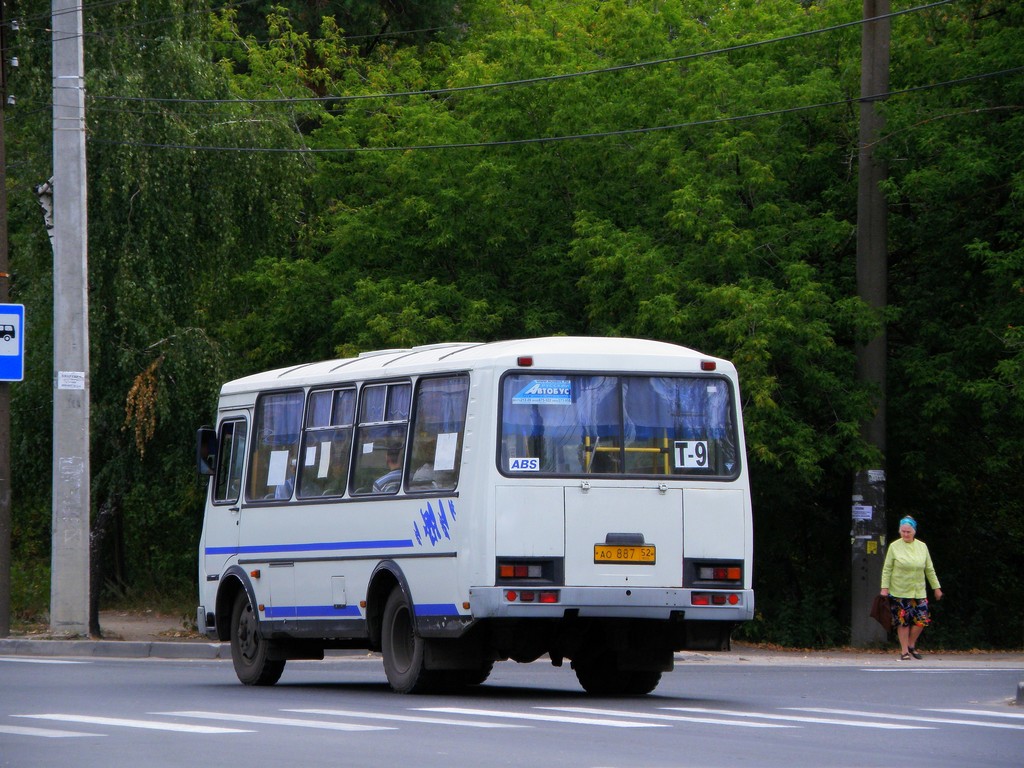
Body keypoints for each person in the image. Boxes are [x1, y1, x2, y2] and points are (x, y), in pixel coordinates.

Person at [880, 516, 943, 660]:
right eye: (903, 531)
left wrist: (936, 588)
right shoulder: (894, 546)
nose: (906, 534)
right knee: (903, 621)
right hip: (899, 590)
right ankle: (904, 651)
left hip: (918, 590)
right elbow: (887, 568)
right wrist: (884, 588)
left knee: (922, 620)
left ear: (914, 532)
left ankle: (911, 644)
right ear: (899, 531)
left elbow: (929, 569)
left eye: (908, 532)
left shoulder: (922, 546)